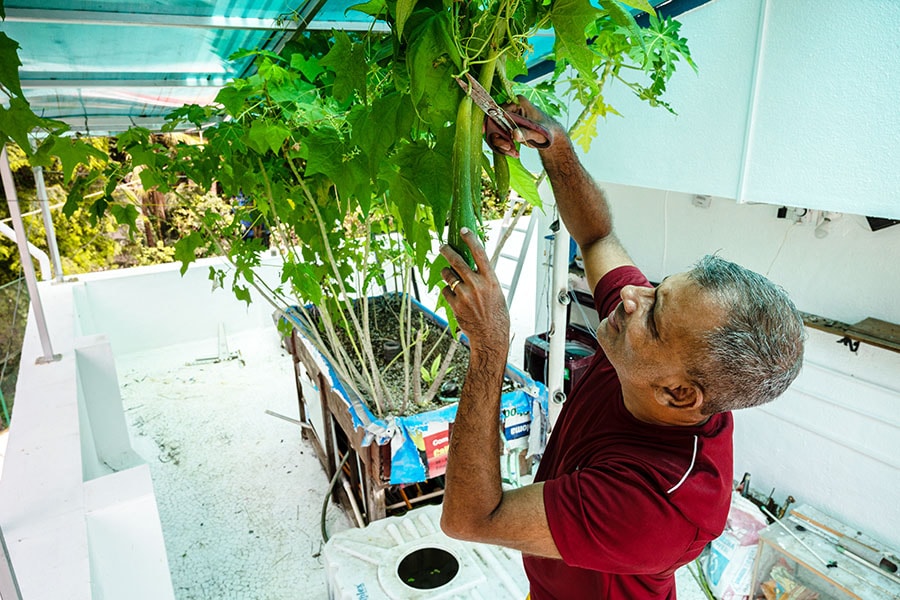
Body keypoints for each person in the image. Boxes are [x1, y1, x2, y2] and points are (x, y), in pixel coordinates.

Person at [438, 97, 805, 599]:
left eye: (654, 316)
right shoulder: (654, 352)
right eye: (659, 287)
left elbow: (471, 518)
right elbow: (597, 236)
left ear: (678, 394)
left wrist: (489, 350)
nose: (632, 295)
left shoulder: (655, 505)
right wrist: (557, 150)